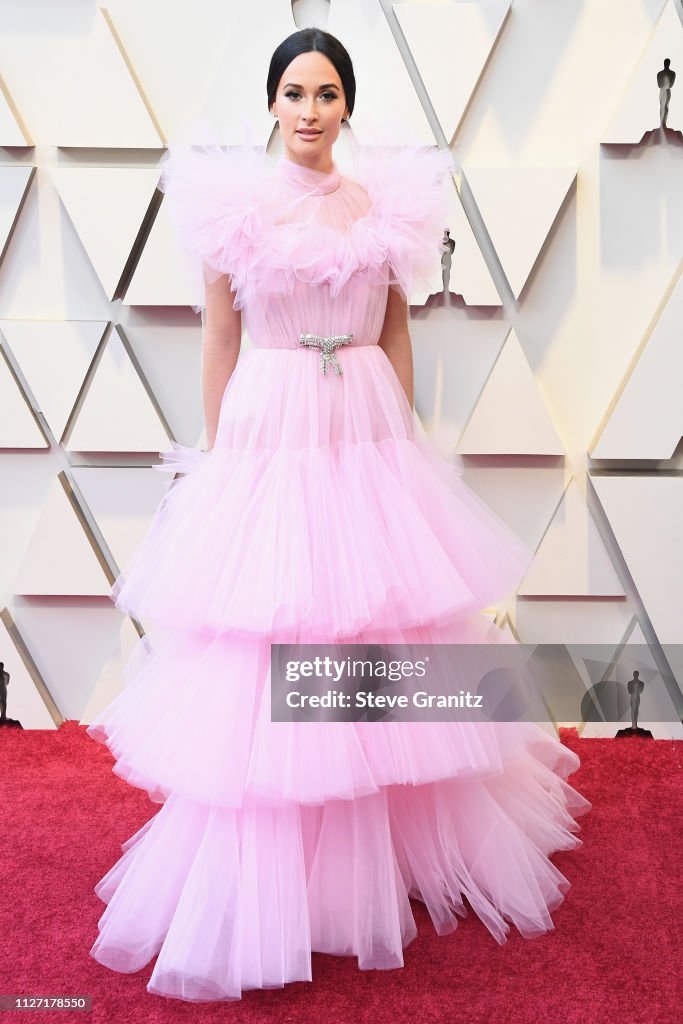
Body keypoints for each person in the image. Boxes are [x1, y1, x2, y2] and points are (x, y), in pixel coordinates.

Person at [85, 28, 591, 1003]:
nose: (309, 110)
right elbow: (218, 338)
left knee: (378, 629)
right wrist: (222, 456)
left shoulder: (382, 206)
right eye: (292, 91)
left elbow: (396, 331)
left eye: (325, 92)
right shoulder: (234, 207)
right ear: (270, 103)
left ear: (346, 104)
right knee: (279, 623)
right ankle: (283, 867)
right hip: (271, 420)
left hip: (360, 423)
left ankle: (382, 849)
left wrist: (397, 439)